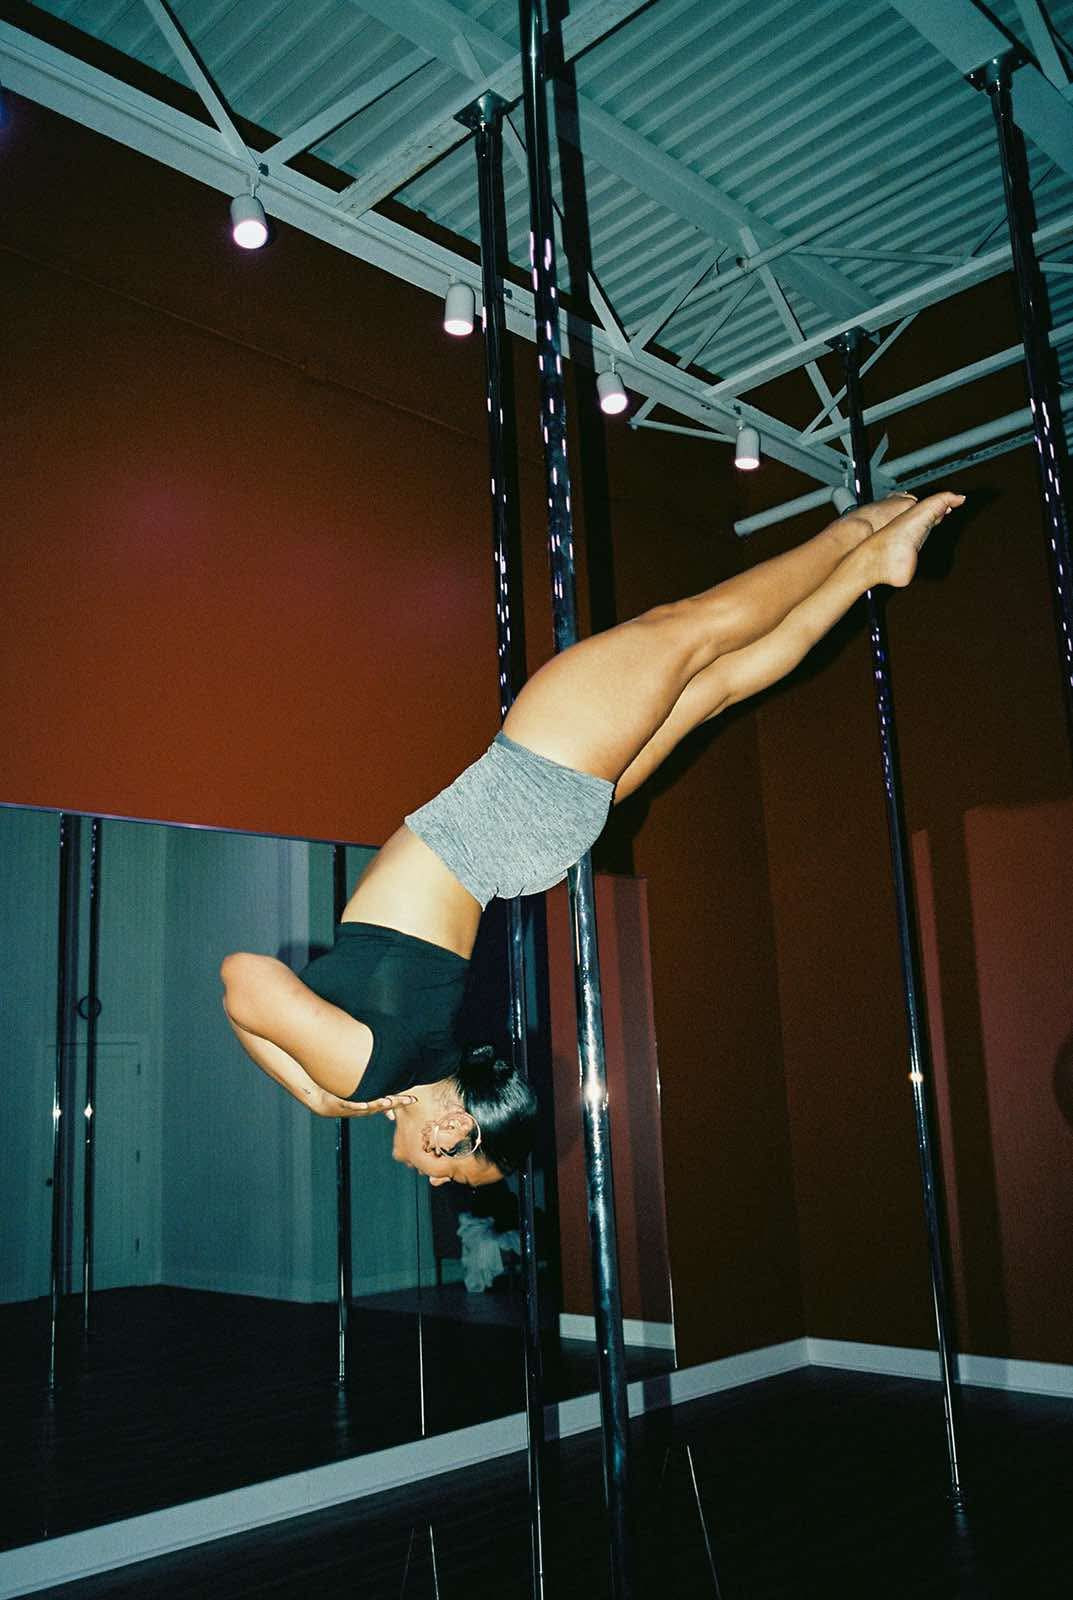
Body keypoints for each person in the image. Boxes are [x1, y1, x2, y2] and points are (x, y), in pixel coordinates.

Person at [220, 489, 965, 1188]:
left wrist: (320, 1097)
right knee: (692, 629)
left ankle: (867, 568)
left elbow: (248, 988)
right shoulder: (367, 1075)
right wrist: (322, 1099)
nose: (434, 1178)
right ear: (453, 1129)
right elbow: (243, 976)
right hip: (517, 805)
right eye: (452, 1172)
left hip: (524, 842)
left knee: (715, 686)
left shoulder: (407, 1063)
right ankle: (860, 537)